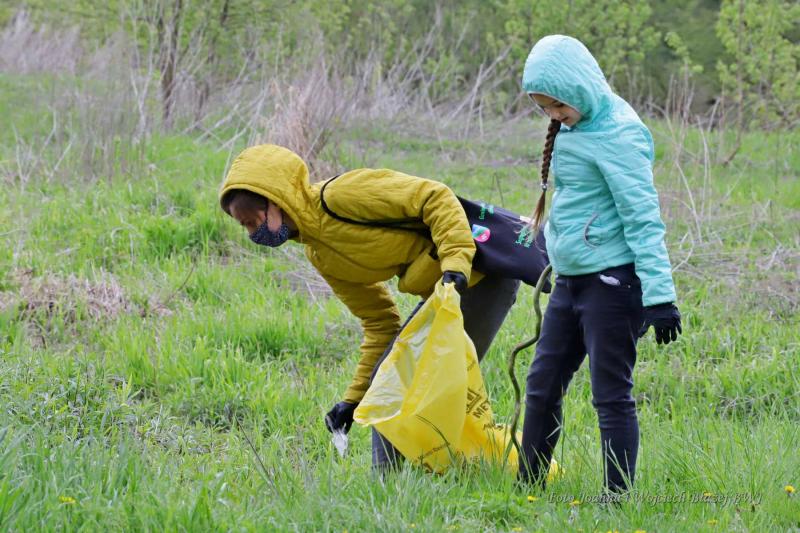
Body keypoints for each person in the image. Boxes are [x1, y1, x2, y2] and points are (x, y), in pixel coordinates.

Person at [218, 144, 520, 469]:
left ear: (276, 201)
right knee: (389, 379)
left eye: (252, 222)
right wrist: (353, 400)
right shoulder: (320, 255)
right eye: (245, 226)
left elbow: (434, 196)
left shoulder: (341, 196)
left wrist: (456, 263)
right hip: (448, 290)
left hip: (480, 277)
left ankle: (398, 483)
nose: (252, 234)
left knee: (406, 382)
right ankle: (420, 477)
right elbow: (379, 324)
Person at [518, 35, 682, 492]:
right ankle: (527, 491)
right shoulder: (576, 127)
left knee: (610, 396)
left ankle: (616, 500)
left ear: (580, 87)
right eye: (544, 108)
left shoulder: (619, 134)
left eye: (558, 105)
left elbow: (644, 218)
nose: (554, 116)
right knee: (542, 385)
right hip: (570, 282)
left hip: (613, 283)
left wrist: (661, 296)